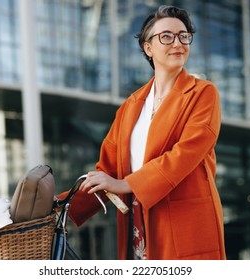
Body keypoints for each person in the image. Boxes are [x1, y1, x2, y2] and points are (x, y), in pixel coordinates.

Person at [60, 5, 226, 260]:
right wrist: (57, 208)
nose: (178, 43)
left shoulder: (203, 93)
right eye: (167, 36)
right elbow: (107, 172)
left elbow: (185, 154)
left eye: (184, 36)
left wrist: (126, 183)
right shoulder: (131, 106)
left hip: (186, 223)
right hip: (139, 222)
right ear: (148, 48)